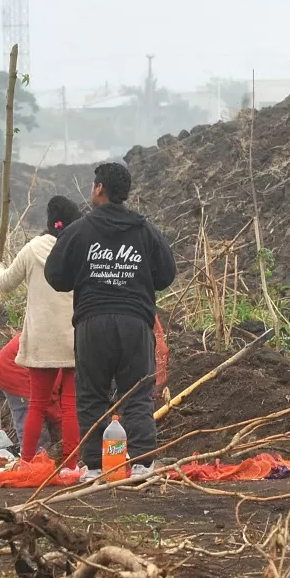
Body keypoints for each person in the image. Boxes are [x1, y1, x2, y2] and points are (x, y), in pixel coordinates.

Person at [45, 162, 177, 474]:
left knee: (92, 395)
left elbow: (56, 276)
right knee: (137, 393)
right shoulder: (145, 231)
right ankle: (143, 464)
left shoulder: (79, 231)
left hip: (93, 323)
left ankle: (95, 467)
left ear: (99, 188)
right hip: (135, 323)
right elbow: (166, 274)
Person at [0, 196, 84, 467]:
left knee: (37, 404)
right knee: (70, 406)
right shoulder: (81, 250)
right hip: (74, 339)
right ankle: (71, 466)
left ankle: (28, 464)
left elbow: (4, 283)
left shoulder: (32, 249)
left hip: (41, 340)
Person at [0, 333, 61, 455]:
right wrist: (61, 426)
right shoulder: (62, 357)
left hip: (17, 365)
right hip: (13, 370)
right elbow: (50, 395)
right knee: (32, 418)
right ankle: (35, 464)